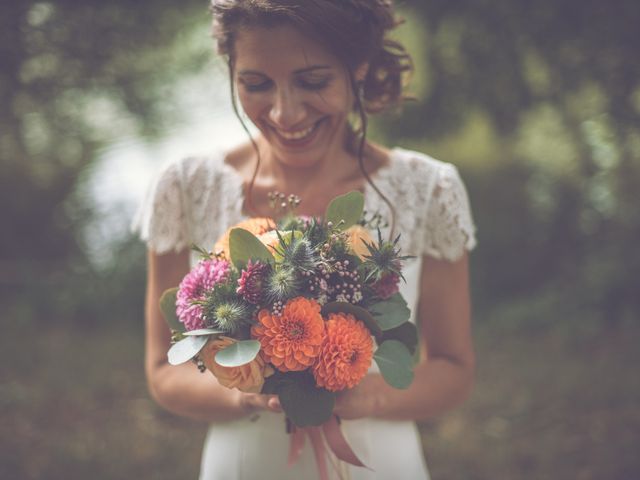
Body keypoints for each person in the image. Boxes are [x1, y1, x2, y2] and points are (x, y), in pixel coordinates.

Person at [133, 1, 477, 478]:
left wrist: (370, 393)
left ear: (357, 67)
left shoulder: (428, 189)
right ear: (231, 71)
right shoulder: (186, 186)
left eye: (313, 81)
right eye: (256, 84)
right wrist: (246, 391)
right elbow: (163, 371)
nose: (284, 112)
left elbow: (453, 368)